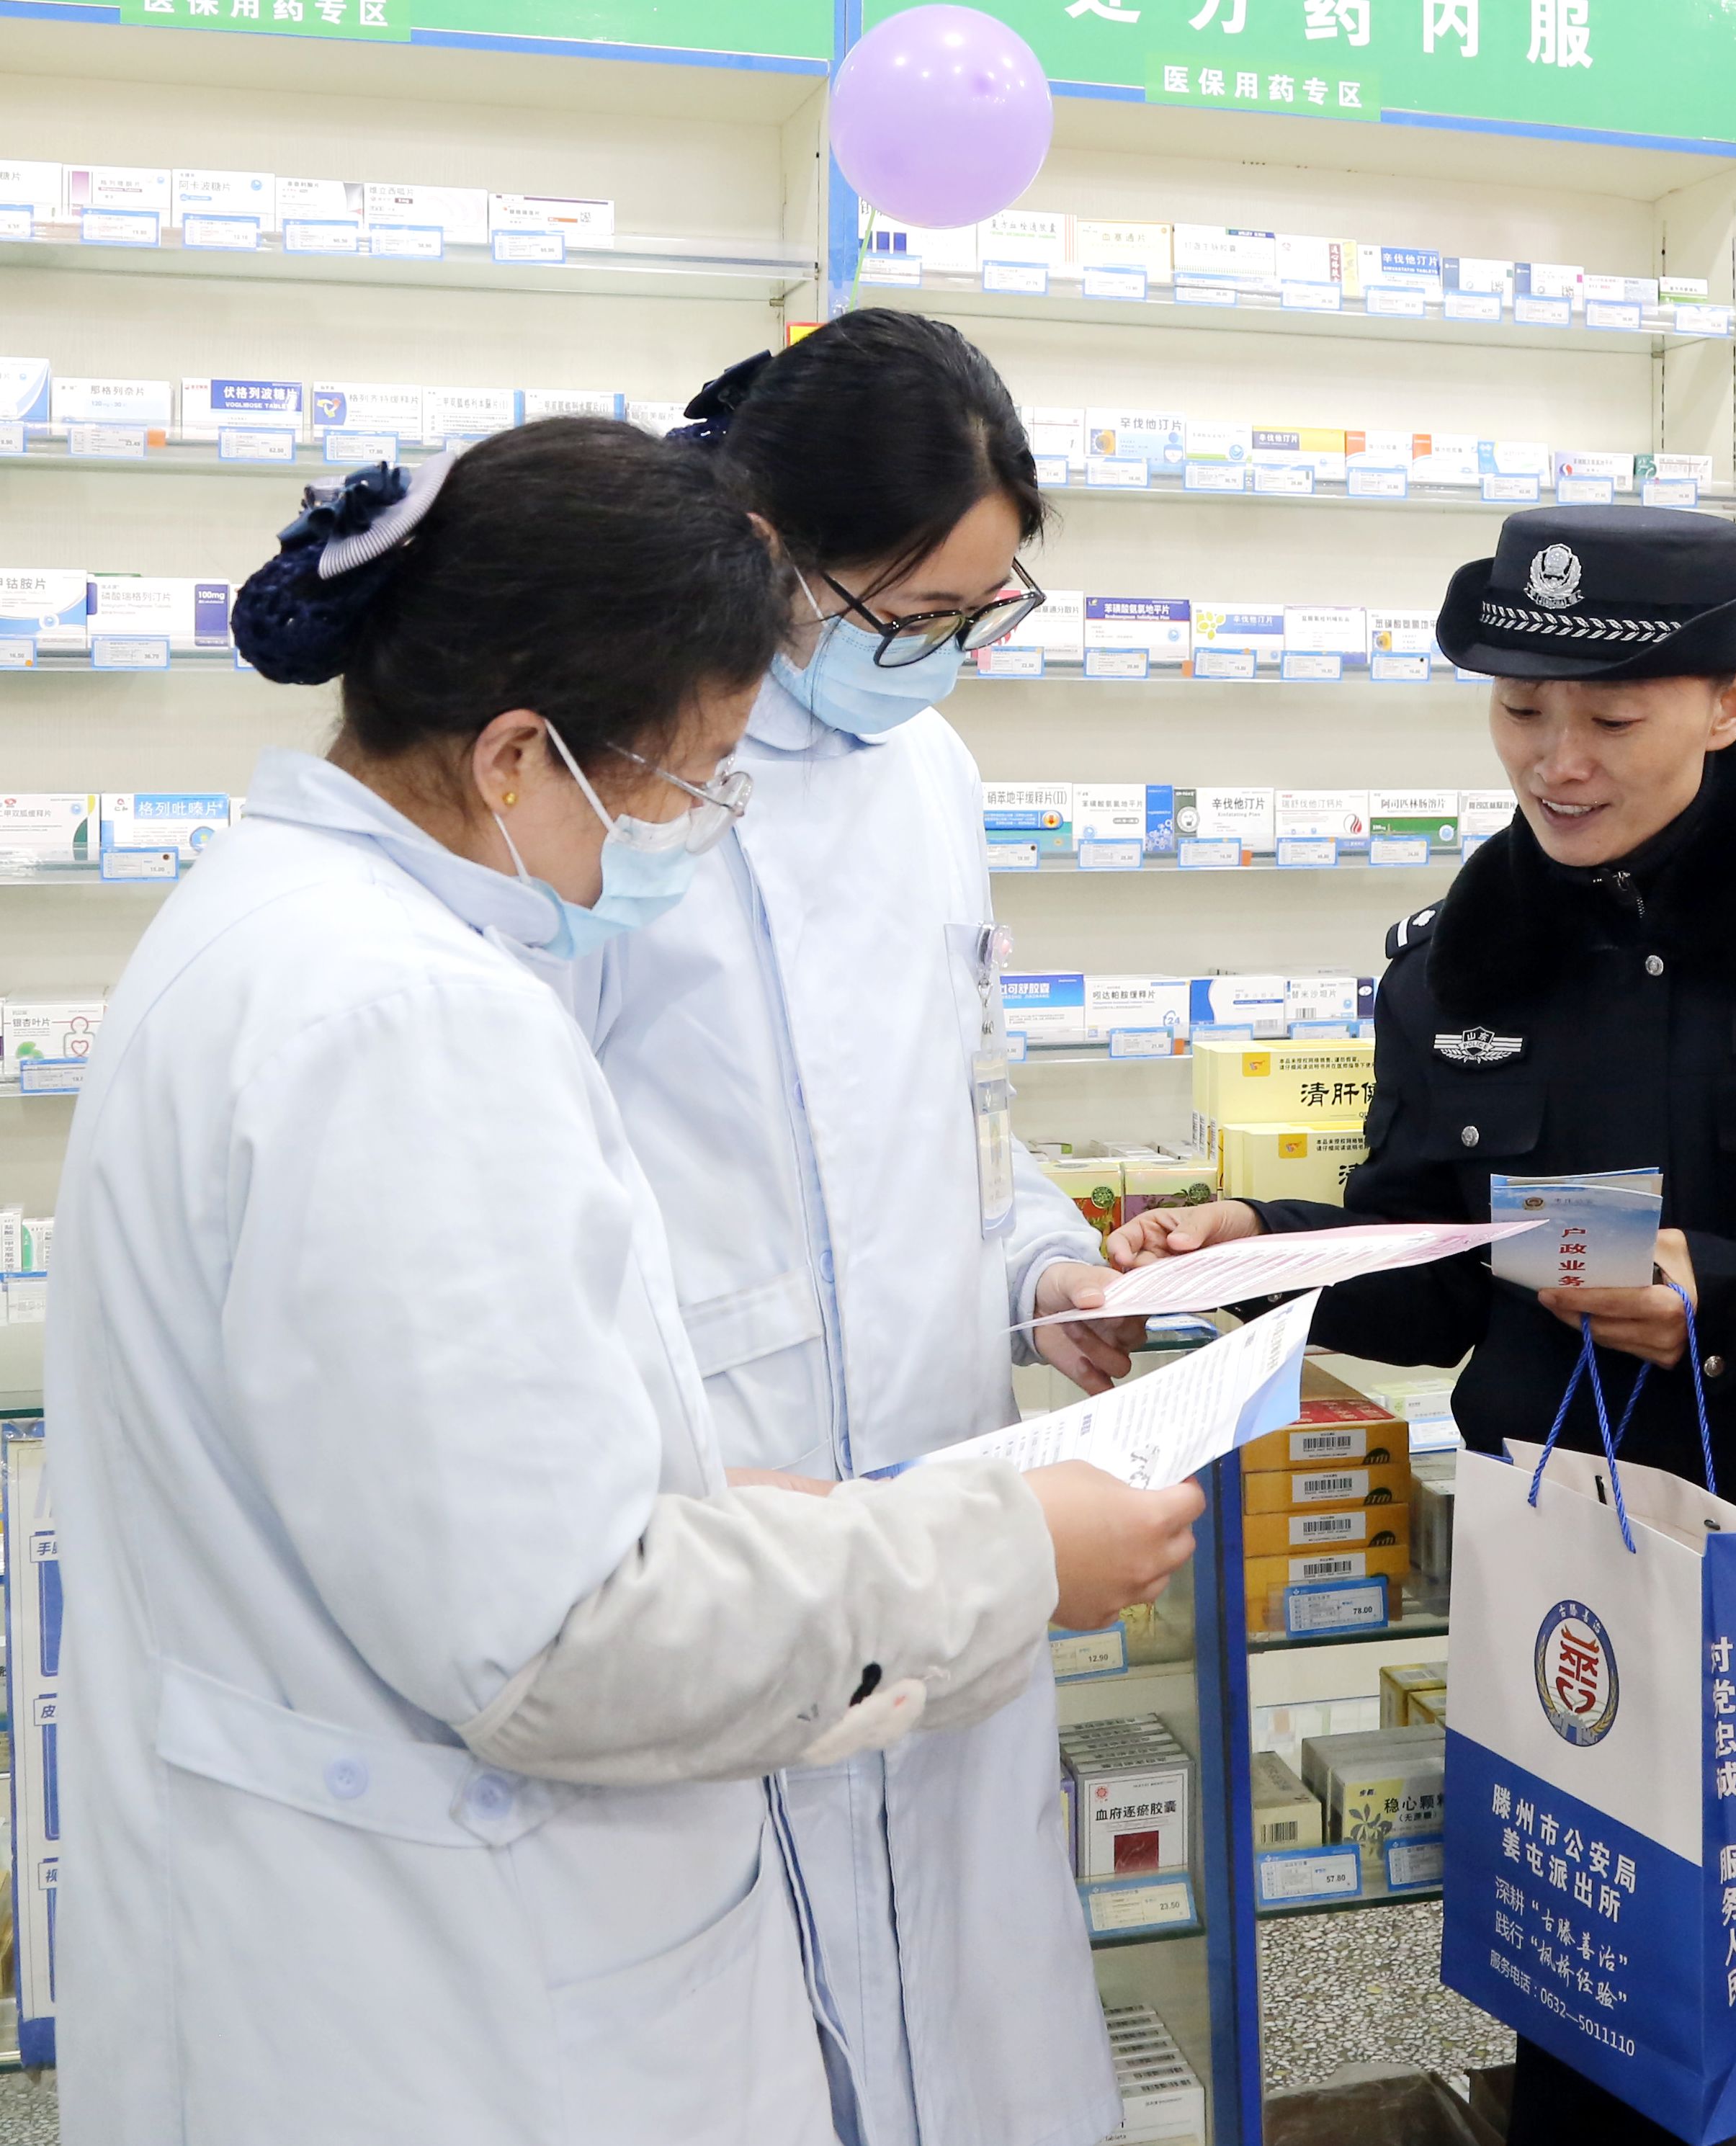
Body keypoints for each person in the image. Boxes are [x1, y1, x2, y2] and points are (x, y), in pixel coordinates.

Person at [48, 420, 1198, 2146]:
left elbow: (427, 1488)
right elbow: (565, 1634)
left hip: (338, 1939)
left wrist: (724, 1497)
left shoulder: (272, 923)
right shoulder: (412, 1020)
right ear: (518, 754)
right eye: (693, 776)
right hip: (457, 1999)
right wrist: (1010, 1556)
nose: (700, 829)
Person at [1107, 505, 1736, 2145]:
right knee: (1586, 2033)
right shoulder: (1455, 962)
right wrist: (1258, 1243)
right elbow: (1432, 1270)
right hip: (1572, 1606)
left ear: (1731, 700)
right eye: (1519, 711)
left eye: (1611, 718)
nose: (1557, 762)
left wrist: (1728, 1288)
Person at [563, 311, 1159, 2146]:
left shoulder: (935, 775)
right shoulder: (621, 787)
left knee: (972, 2003)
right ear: (768, 549)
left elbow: (962, 1108)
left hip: (942, 1487)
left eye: (983, 613)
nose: (940, 659)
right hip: (726, 1509)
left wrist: (1045, 1266)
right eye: (908, 616)